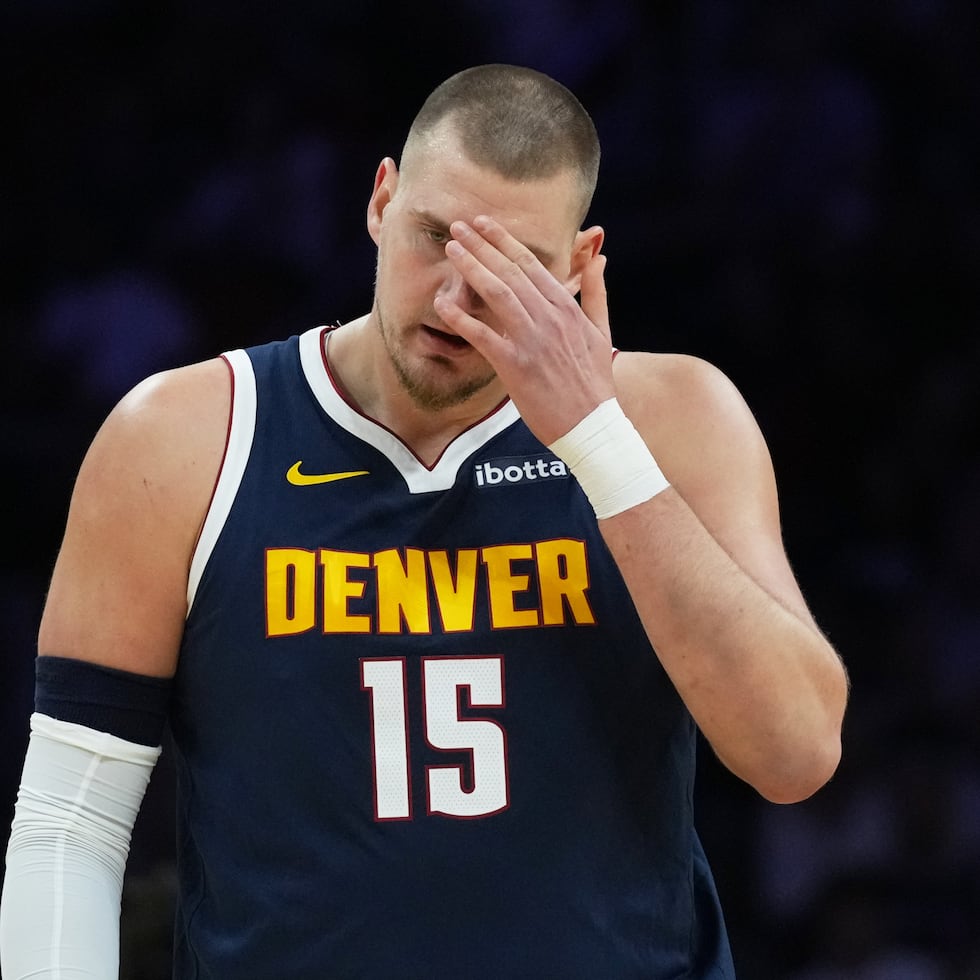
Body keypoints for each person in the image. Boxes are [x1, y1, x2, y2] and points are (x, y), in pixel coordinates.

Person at [0, 64, 848, 979]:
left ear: (580, 266)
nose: (456, 297)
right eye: (436, 237)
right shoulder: (181, 439)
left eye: (509, 267)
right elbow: (71, 822)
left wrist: (597, 439)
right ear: (380, 200)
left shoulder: (674, 417)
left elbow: (793, 753)